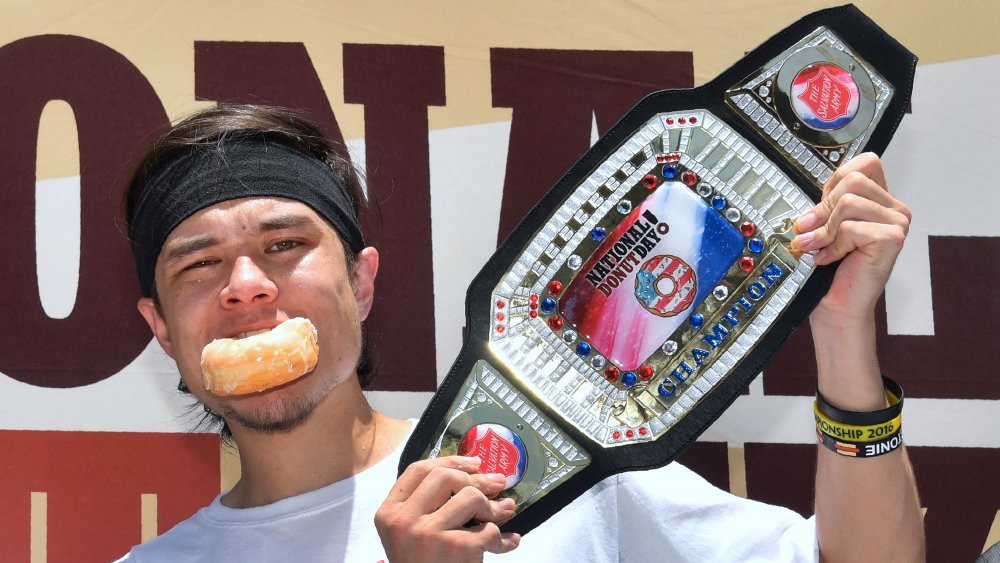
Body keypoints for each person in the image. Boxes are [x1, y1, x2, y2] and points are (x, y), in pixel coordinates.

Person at [115, 104, 923, 562]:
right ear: (159, 329)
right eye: (198, 265)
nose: (248, 284)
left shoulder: (545, 460)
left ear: (361, 282)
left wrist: (845, 335)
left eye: (284, 246)